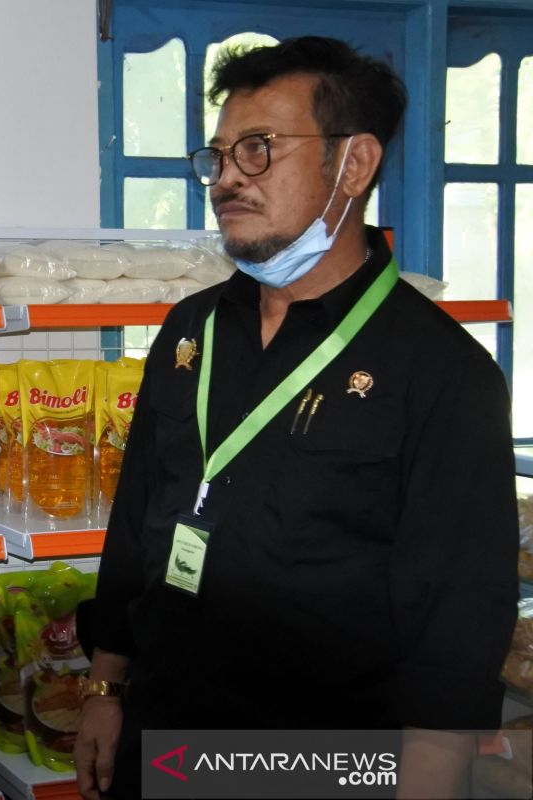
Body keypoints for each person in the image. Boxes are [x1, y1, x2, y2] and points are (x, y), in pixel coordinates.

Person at [75, 36, 518, 799]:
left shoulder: (442, 373)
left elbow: (457, 622)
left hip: (326, 760)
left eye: (258, 150)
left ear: (354, 164)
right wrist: (106, 689)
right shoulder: (192, 331)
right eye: (217, 155)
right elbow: (138, 520)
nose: (224, 179)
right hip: (164, 736)